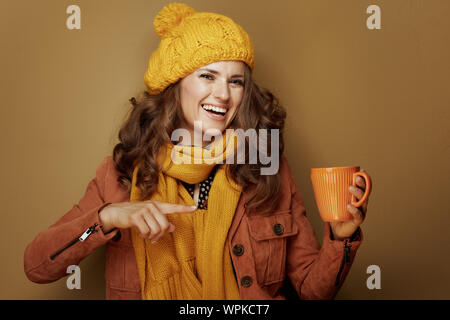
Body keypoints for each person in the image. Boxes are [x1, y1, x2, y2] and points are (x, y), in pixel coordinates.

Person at [24, 3, 371, 300]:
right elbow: (37, 265)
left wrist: (342, 238)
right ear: (175, 87)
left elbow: (312, 289)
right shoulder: (119, 175)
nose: (223, 94)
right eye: (208, 76)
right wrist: (106, 218)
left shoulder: (268, 169)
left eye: (236, 81)